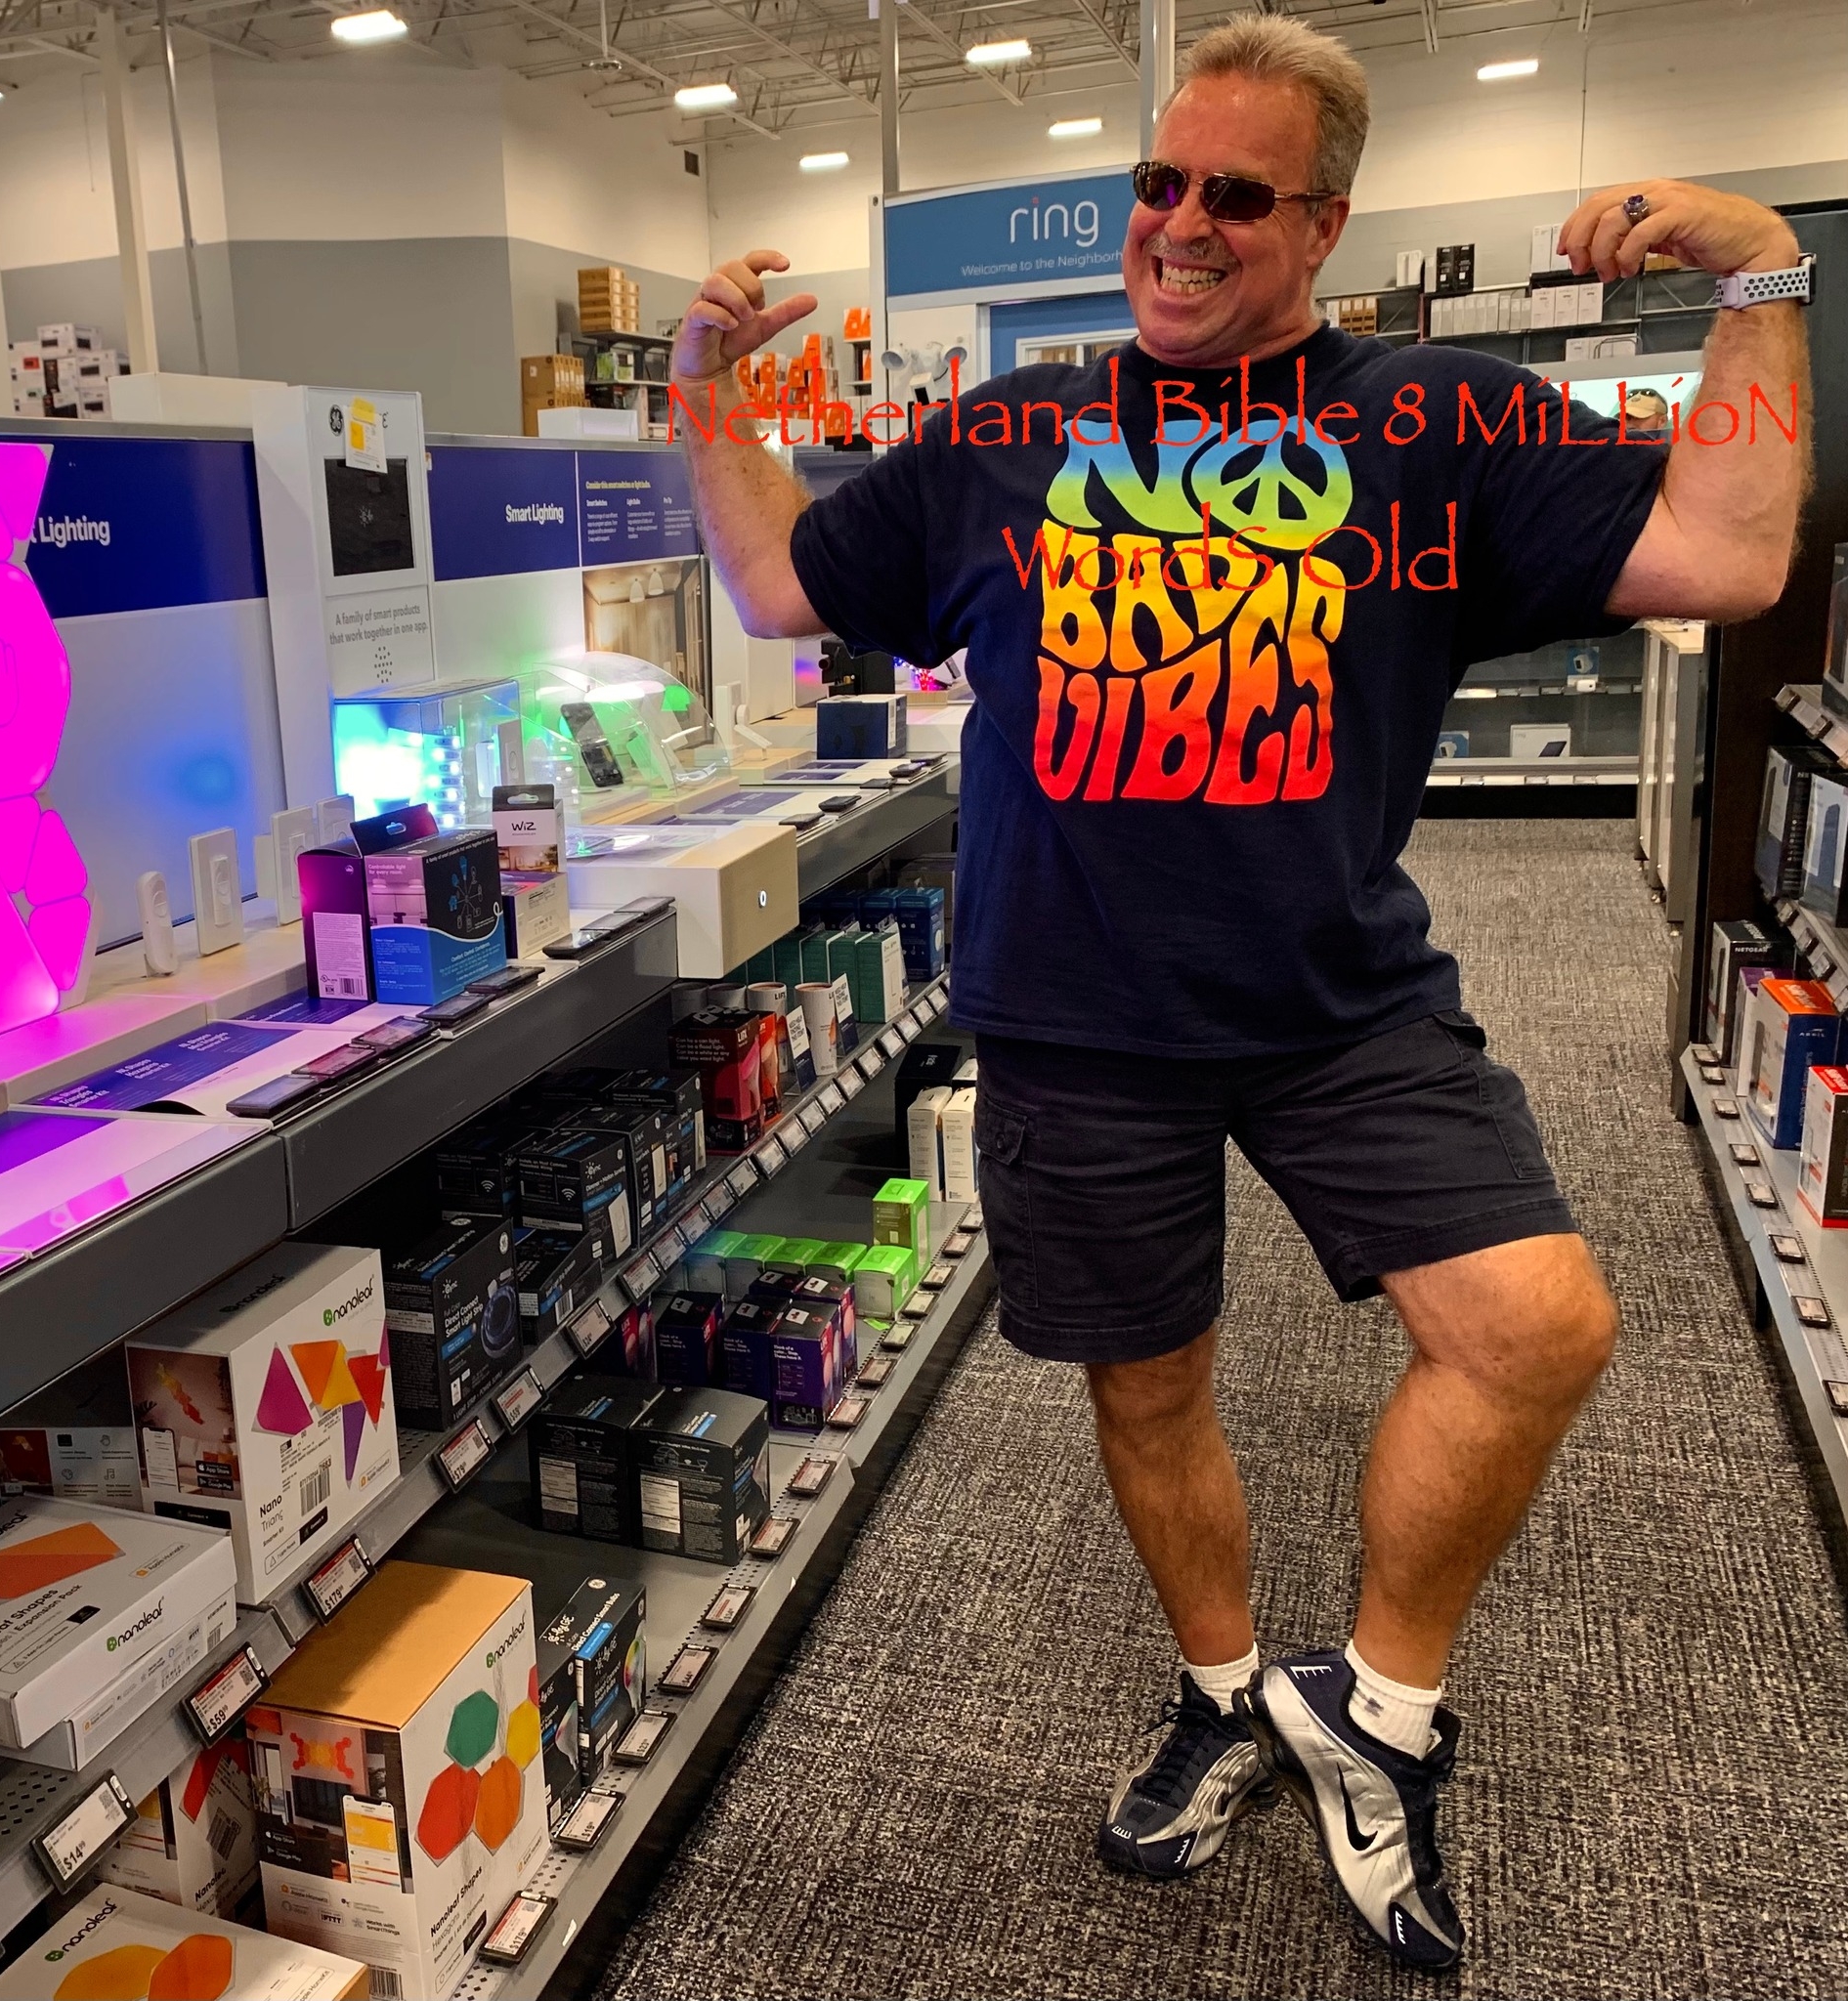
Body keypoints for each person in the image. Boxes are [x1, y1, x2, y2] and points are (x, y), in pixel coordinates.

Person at [667, 10, 1808, 1970]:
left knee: (1533, 1328)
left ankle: (1375, 1711)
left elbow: (1725, 550)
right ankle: (1216, 1691)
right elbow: (780, 584)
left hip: (1336, 998)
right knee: (1148, 1379)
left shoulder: (1430, 420)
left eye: (1235, 196)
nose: (1180, 224)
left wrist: (1764, 281)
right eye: (1157, 182)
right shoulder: (1010, 431)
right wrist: (700, 392)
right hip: (1070, 1014)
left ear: (1322, 225)